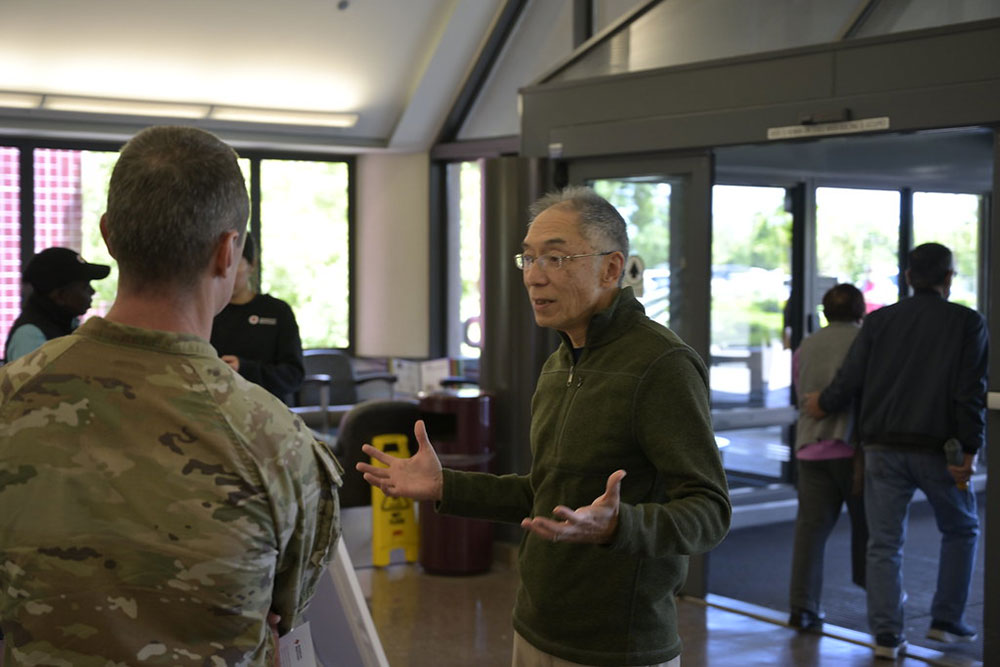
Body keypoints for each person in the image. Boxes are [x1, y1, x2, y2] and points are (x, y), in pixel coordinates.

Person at [0, 125, 342, 665]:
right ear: (228, 252)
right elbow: (286, 608)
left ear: (109, 235)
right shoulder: (278, 444)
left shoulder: (10, 397)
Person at [358, 186, 731, 667]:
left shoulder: (662, 364)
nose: (534, 276)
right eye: (529, 259)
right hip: (534, 629)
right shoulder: (560, 362)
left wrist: (621, 525)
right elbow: (543, 495)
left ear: (611, 269)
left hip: (619, 647)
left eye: (556, 258)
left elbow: (710, 511)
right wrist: (445, 486)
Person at [804, 243, 986, 660]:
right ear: (948, 278)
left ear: (907, 277)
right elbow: (970, 392)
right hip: (938, 448)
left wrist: (823, 404)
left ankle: (886, 636)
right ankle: (946, 620)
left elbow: (850, 377)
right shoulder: (967, 322)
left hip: (881, 448)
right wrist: (970, 447)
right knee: (961, 529)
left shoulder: (879, 321)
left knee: (884, 543)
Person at [788, 283, 867, 632]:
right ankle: (882, 610)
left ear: (825, 312)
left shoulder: (806, 346)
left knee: (810, 532)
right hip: (854, 451)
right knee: (872, 533)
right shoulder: (865, 341)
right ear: (861, 311)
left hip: (811, 447)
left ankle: (802, 609)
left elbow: (801, 395)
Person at [211, 233, 305, 403]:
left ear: (252, 265)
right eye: (222, 264)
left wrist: (244, 369)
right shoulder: (208, 311)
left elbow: (293, 376)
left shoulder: (277, 311)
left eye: (235, 264)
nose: (227, 273)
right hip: (218, 407)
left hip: (267, 410)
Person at [3, 246, 110, 362]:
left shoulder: (64, 325)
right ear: (60, 296)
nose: (93, 291)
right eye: (84, 287)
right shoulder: (30, 335)